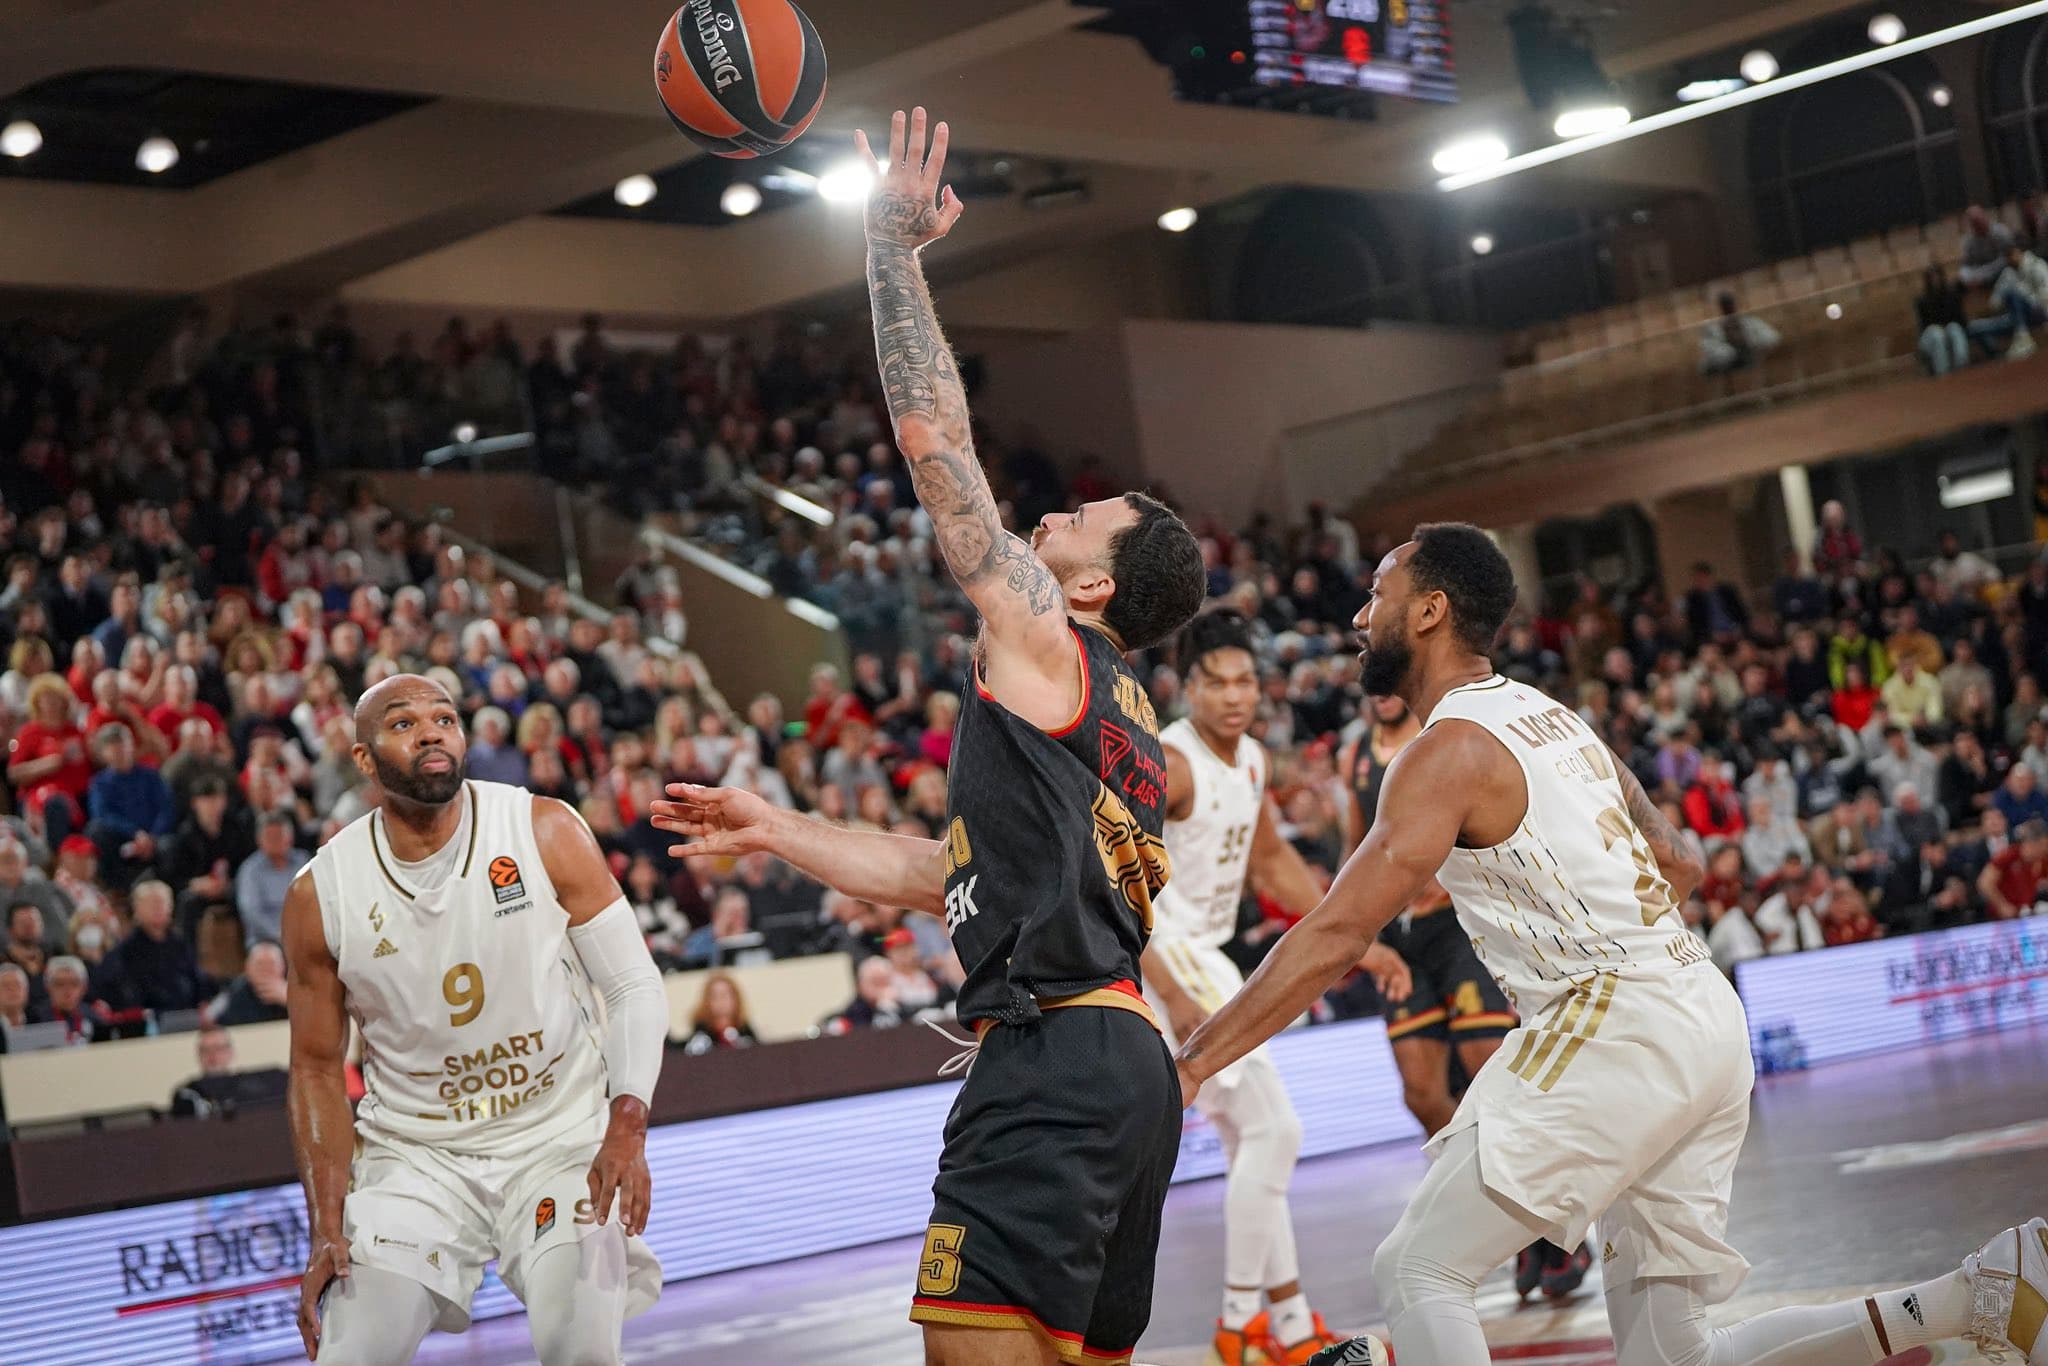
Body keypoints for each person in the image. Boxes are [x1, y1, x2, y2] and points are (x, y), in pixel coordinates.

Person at [1172, 522, 2044, 1366]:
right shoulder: (1552, 717)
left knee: (1418, 1266)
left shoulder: (1444, 753)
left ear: (1431, 609)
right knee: (1676, 1354)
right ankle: (1979, 1297)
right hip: (1701, 1012)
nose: (1361, 616)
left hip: (1616, 1022)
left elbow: (1335, 931)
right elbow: (1684, 861)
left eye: (1378, 594)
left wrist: (1193, 1062)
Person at [651, 107, 1206, 1366]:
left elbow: (932, 440)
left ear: (1092, 589)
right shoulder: (1121, 727)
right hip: (1127, 1067)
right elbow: (940, 872)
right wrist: (775, 826)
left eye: (1080, 518)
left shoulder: (1046, 644)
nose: (1053, 515)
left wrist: (889, 253)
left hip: (1055, 1060)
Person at [286, 675, 666, 1365]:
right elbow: (314, 1066)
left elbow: (634, 982)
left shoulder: (541, 826)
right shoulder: (321, 892)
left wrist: (627, 1121)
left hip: (559, 1138)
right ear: (365, 759)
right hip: (417, 1158)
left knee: (582, 1351)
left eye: (445, 718)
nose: (432, 731)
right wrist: (325, 1225)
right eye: (404, 724)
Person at [1143, 611, 1406, 1363]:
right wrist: (1169, 990)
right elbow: (1116, 874)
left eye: (1244, 682)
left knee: (1254, 1138)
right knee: (1274, 1130)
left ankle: (1286, 1322)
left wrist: (1351, 935)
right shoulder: (1172, 762)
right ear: (1185, 687)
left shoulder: (1253, 758)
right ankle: (1234, 1325)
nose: (1232, 696)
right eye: (1215, 683)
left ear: (1260, 687)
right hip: (1168, 951)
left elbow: (1268, 864)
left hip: (1208, 955)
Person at [170, 1024, 289, 1118]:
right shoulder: (188, 1094)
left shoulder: (258, 1084)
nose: (213, 1055)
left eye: (218, 1048)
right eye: (206, 1050)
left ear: (231, 1052)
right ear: (199, 1055)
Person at [236, 812, 307, 949]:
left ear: (290, 837)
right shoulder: (250, 870)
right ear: (259, 839)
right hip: (266, 940)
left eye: (279, 836)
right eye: (269, 837)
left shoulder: (303, 862)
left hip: (303, 935)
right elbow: (251, 911)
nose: (275, 841)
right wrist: (279, 935)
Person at [1697, 292, 1781, 375]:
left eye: (1729, 304)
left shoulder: (1751, 322)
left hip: (1751, 364)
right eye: (1724, 305)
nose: (1728, 307)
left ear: (1735, 304)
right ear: (1719, 307)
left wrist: (1752, 345)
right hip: (1725, 369)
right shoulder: (1712, 329)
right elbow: (1709, 358)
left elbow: (1773, 338)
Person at [680, 971, 757, 1054]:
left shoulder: (746, 1033)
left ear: (736, 999)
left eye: (725, 995)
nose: (721, 1001)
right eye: (715, 996)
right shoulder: (700, 1037)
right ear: (707, 1001)